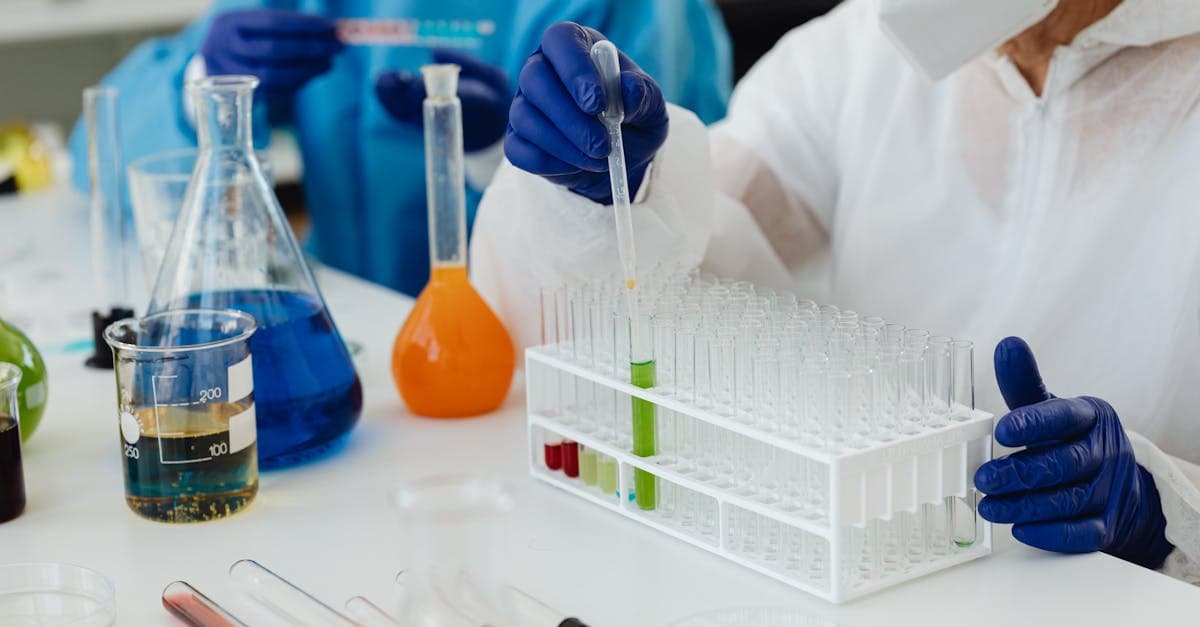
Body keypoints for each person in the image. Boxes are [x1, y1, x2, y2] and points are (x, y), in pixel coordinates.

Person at [470, 1, 1200, 584]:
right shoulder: (862, 52)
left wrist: (1161, 509)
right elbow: (686, 272)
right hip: (863, 579)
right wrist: (613, 192)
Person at [69, 0, 731, 296]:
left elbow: (696, 231)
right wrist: (200, 88)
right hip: (359, 342)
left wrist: (506, 152)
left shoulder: (642, 8)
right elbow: (93, 150)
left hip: (542, 371)